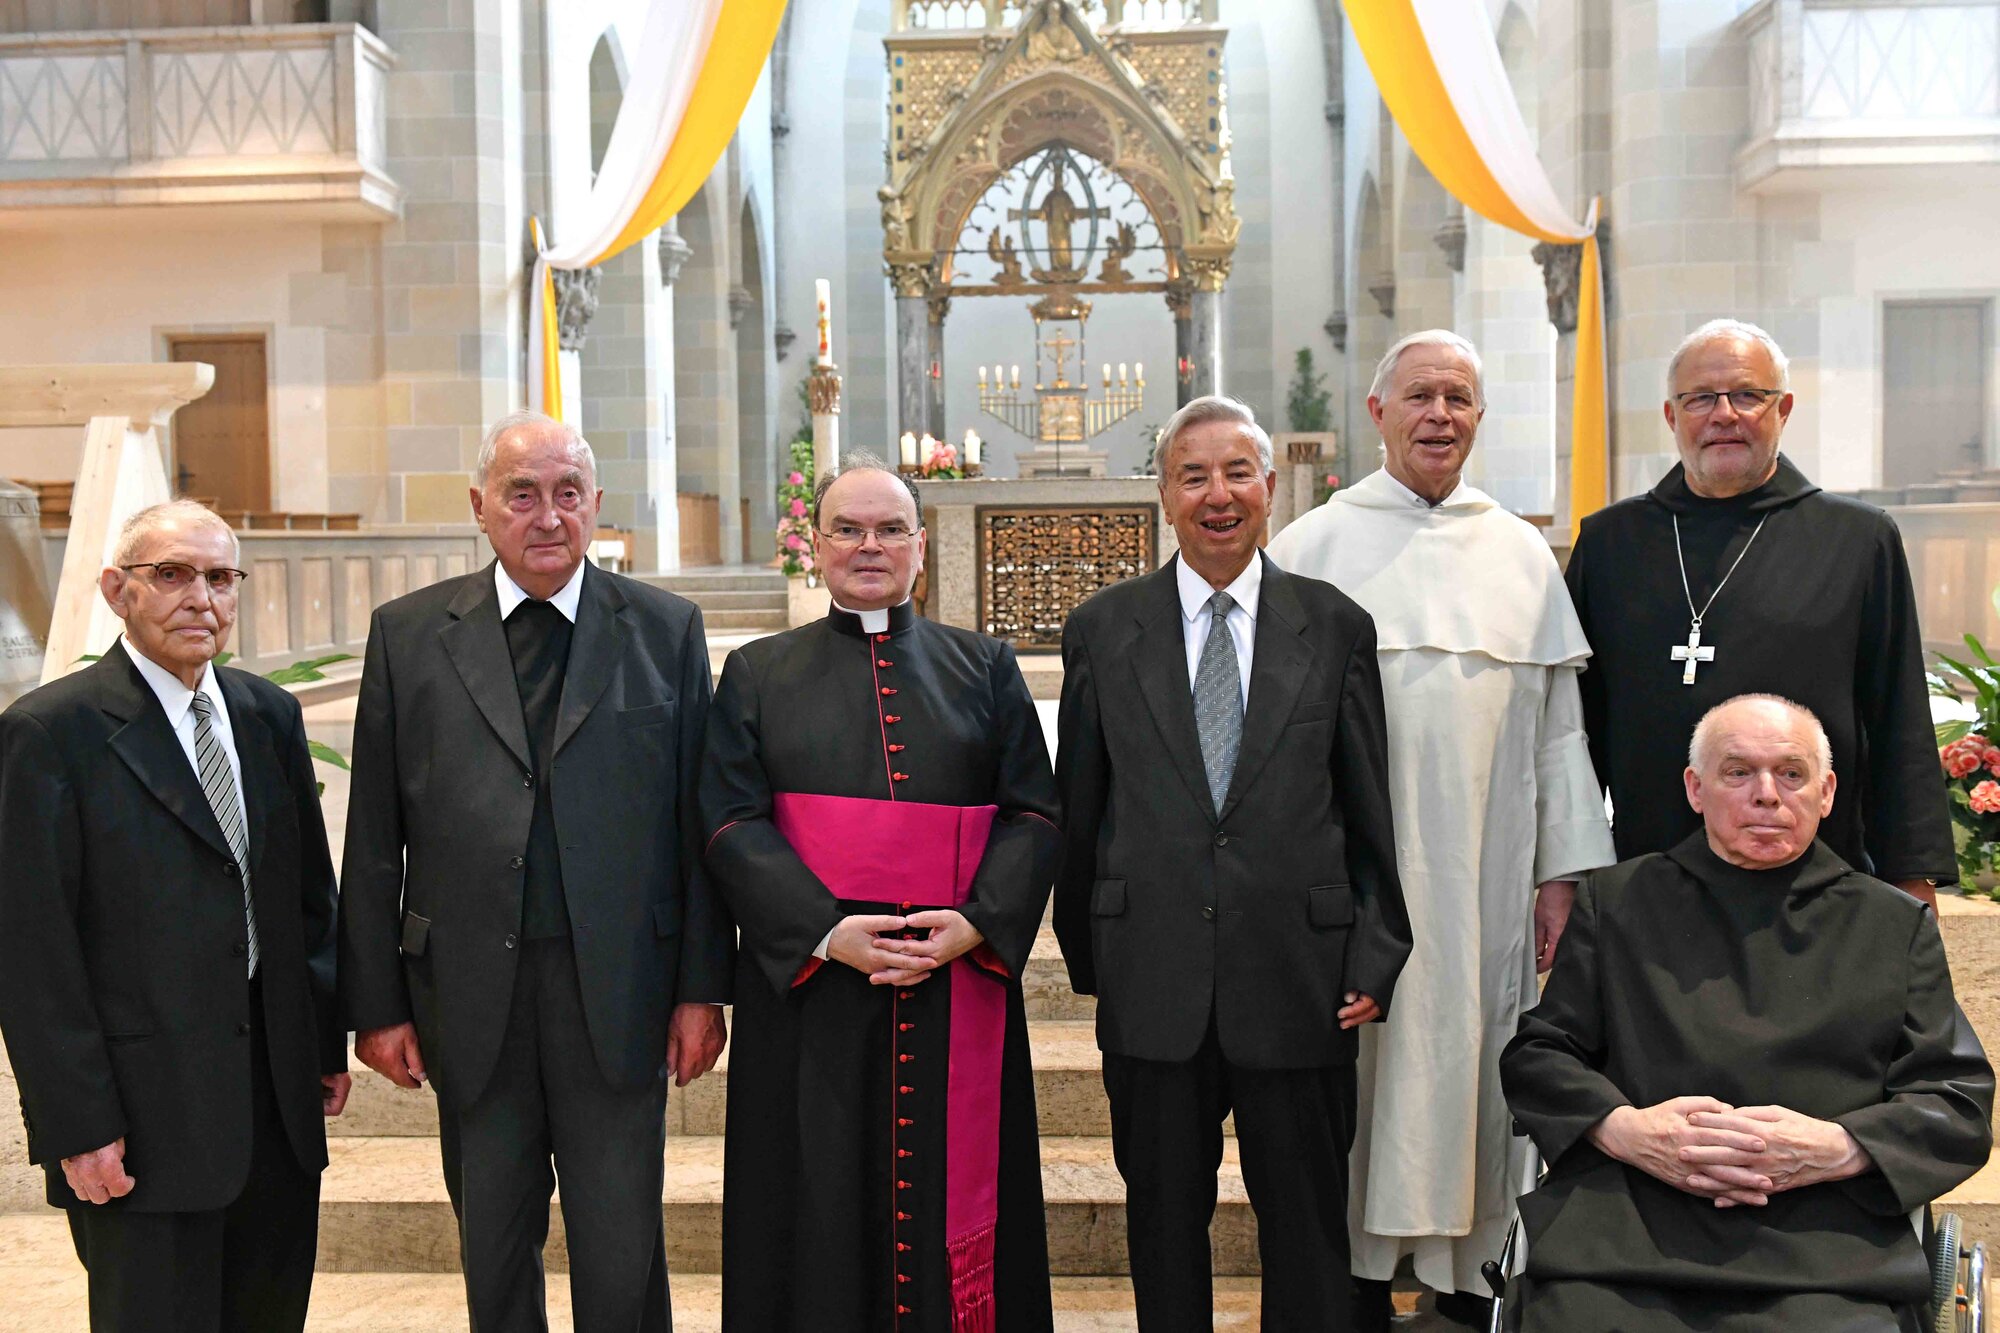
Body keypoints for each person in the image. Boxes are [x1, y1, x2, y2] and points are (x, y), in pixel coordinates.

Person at [338, 411, 730, 1331]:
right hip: (471, 995)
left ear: (596, 503)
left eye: (567, 493)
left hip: (622, 994)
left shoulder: (665, 628)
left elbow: (698, 825)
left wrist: (700, 989)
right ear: (480, 506)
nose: (548, 516)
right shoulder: (408, 635)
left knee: (622, 1248)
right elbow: (373, 836)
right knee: (494, 1244)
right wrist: (377, 1003)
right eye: (522, 494)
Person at [1267, 330, 1615, 1329]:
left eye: (1459, 397)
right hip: (1347, 886)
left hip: (1485, 883)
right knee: (1358, 1078)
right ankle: (1353, 1278)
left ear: (1477, 418)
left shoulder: (1517, 553)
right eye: (1419, 395)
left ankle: (1468, 1278)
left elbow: (1559, 735)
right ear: (1376, 412)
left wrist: (1561, 876)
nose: (1439, 414)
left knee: (1478, 1062)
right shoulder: (1310, 548)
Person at [1055, 395, 1412, 1332]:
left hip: (1301, 975)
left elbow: (1368, 804)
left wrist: (1376, 947)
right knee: (1163, 1223)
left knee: (1306, 1227)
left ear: (1270, 486)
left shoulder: (1334, 625)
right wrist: (1096, 955)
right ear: (1164, 496)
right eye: (1193, 476)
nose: (1218, 494)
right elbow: (1081, 812)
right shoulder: (1103, 629)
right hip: (1154, 976)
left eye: (1237, 472)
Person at [701, 454, 1061, 1332]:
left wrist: (975, 921)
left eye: (891, 529)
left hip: (955, 983)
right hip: (814, 992)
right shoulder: (756, 671)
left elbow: (1036, 812)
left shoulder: (985, 666)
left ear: (920, 547)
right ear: (816, 544)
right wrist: (827, 932)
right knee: (815, 1198)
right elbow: (729, 821)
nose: (871, 545)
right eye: (849, 529)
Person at [1500, 694, 1994, 1331]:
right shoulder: (1617, 902)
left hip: (1830, 1241)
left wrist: (1836, 1147)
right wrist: (1626, 1131)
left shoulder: (1893, 925)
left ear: (1826, 793)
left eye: (1791, 773)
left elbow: (1955, 1102)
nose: (1766, 795)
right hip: (1629, 1225)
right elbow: (1540, 1056)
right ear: (1695, 788)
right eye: (1738, 772)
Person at [0, 500, 348, 1331]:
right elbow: (31, 951)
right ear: (116, 589)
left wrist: (320, 1045)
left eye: (220, 577)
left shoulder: (268, 716)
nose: (201, 597)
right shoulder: (51, 732)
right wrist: (77, 1123)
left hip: (275, 1113)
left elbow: (308, 900)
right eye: (172, 574)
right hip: (140, 1123)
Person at [1566, 318, 1955, 904]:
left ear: (1783, 409)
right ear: (1672, 416)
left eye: (1748, 395)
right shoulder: (1610, 542)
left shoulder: (1857, 539)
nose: (1724, 414)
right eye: (1700, 398)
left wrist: (1912, 878)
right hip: (1648, 875)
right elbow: (1576, 728)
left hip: (1817, 882)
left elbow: (1897, 718)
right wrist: (1567, 873)